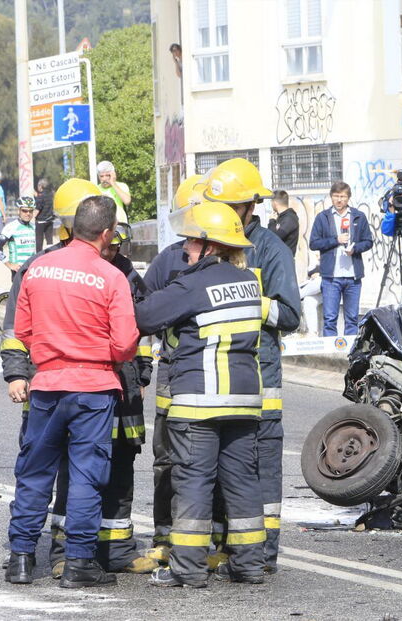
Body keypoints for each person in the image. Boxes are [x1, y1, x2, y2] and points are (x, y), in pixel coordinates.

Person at [6, 193, 139, 588]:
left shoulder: (38, 269)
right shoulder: (112, 277)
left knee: (34, 472)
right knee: (86, 476)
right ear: (107, 232)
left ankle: (21, 559)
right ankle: (79, 563)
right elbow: (125, 344)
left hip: (46, 386)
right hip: (94, 389)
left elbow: (24, 332)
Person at [135, 201, 267, 588]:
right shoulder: (249, 282)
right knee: (242, 484)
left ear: (210, 245)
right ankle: (249, 566)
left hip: (199, 401)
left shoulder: (193, 284)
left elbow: (144, 317)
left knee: (193, 483)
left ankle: (188, 569)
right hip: (244, 402)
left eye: (191, 242)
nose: (185, 249)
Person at [198, 158, 301, 574]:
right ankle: (231, 548)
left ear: (249, 207)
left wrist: (246, 301)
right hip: (222, 376)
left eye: (229, 207)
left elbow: (291, 316)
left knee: (260, 468)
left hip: (261, 380)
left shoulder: (270, 249)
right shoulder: (216, 245)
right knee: (226, 469)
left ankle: (263, 551)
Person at [45, 223, 159, 578]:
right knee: (77, 469)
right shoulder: (56, 267)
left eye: (114, 248)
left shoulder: (126, 274)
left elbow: (141, 329)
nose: (108, 252)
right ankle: (65, 552)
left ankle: (117, 549)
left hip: (122, 387)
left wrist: (141, 374)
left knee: (122, 464)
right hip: (84, 385)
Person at [140, 174, 205, 560]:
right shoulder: (168, 261)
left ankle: (215, 534)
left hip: (214, 375)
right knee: (167, 456)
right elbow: (141, 314)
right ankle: (165, 535)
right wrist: (143, 371)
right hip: (173, 375)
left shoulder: (233, 261)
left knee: (212, 458)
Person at [309, 182, 373, 336]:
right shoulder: (323, 217)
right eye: (336, 196)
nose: (339, 200)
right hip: (331, 277)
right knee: (330, 318)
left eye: (342, 197)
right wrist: (335, 239)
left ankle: (351, 356)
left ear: (348, 198)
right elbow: (313, 243)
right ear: (331, 197)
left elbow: (368, 241)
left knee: (352, 318)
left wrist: (355, 248)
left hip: (353, 277)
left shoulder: (358, 216)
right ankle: (329, 357)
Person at [0, 197, 37, 280]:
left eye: (30, 211)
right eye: (24, 211)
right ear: (19, 211)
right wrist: (10, 265)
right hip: (18, 270)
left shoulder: (34, 227)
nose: (28, 213)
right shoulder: (11, 227)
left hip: (32, 270)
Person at [268, 190, 299, 256]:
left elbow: (274, 238)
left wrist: (272, 222)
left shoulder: (289, 218)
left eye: (271, 201)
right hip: (279, 259)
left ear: (275, 203)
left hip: (285, 261)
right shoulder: (280, 217)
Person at [34, 179, 55, 251]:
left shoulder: (41, 197)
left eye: (38, 186)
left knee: (39, 240)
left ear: (41, 186)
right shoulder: (51, 195)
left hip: (41, 221)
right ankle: (50, 253)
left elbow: (37, 209)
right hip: (50, 220)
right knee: (49, 240)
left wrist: (31, 218)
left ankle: (38, 255)